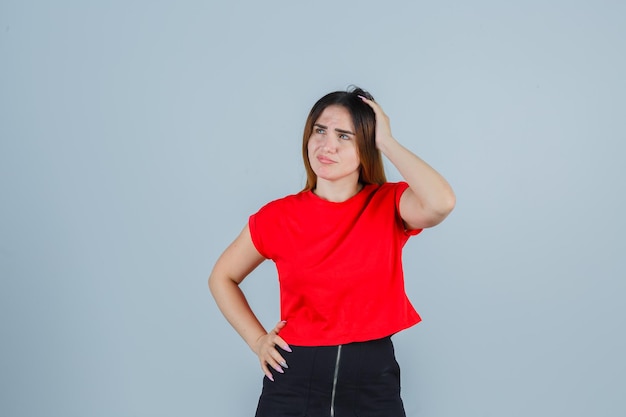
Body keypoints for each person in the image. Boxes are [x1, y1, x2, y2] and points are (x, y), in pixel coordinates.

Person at [208, 86, 455, 417]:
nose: (327, 145)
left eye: (345, 136)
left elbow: (442, 202)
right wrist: (257, 341)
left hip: (372, 382)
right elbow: (222, 277)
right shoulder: (277, 217)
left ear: (366, 145)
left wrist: (388, 142)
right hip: (293, 380)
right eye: (320, 131)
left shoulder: (390, 204)